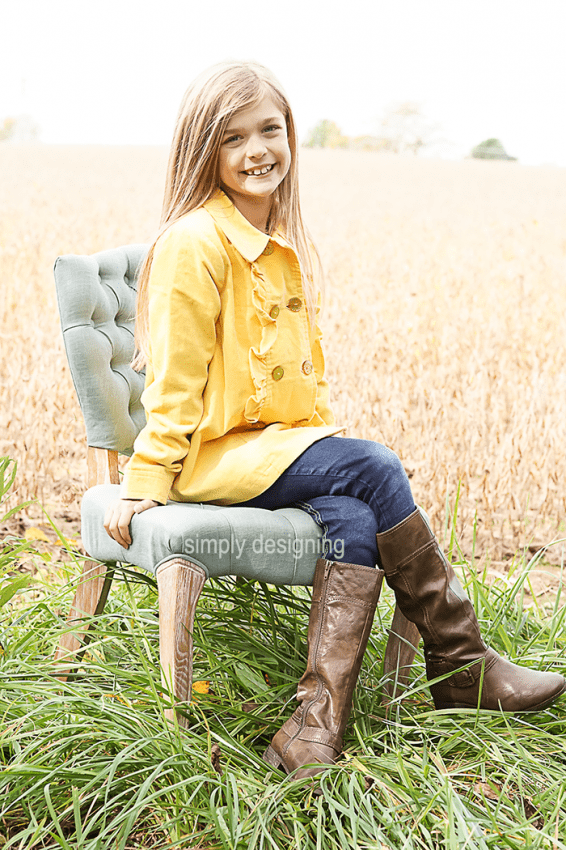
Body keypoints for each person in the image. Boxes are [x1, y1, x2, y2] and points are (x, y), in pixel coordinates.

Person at [104, 61, 565, 781]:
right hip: (210, 457)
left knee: (353, 513)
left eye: (271, 129)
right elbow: (176, 378)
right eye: (233, 138)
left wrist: (314, 444)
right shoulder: (196, 242)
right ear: (204, 151)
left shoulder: (280, 240)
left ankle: (312, 733)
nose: (258, 149)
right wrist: (145, 480)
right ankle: (461, 661)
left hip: (266, 449)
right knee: (374, 464)